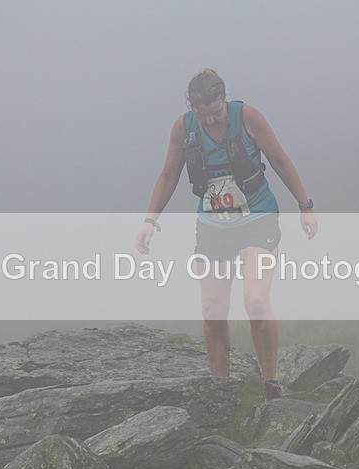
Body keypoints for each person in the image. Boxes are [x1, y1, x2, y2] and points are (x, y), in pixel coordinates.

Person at [135, 68, 317, 400]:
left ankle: (271, 383)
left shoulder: (247, 117)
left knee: (256, 300)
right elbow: (167, 176)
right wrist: (150, 222)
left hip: (257, 218)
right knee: (213, 310)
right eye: (203, 116)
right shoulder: (183, 128)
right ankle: (221, 390)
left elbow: (279, 159)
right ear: (193, 108)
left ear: (224, 100)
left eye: (216, 113)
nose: (211, 122)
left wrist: (305, 206)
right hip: (213, 227)